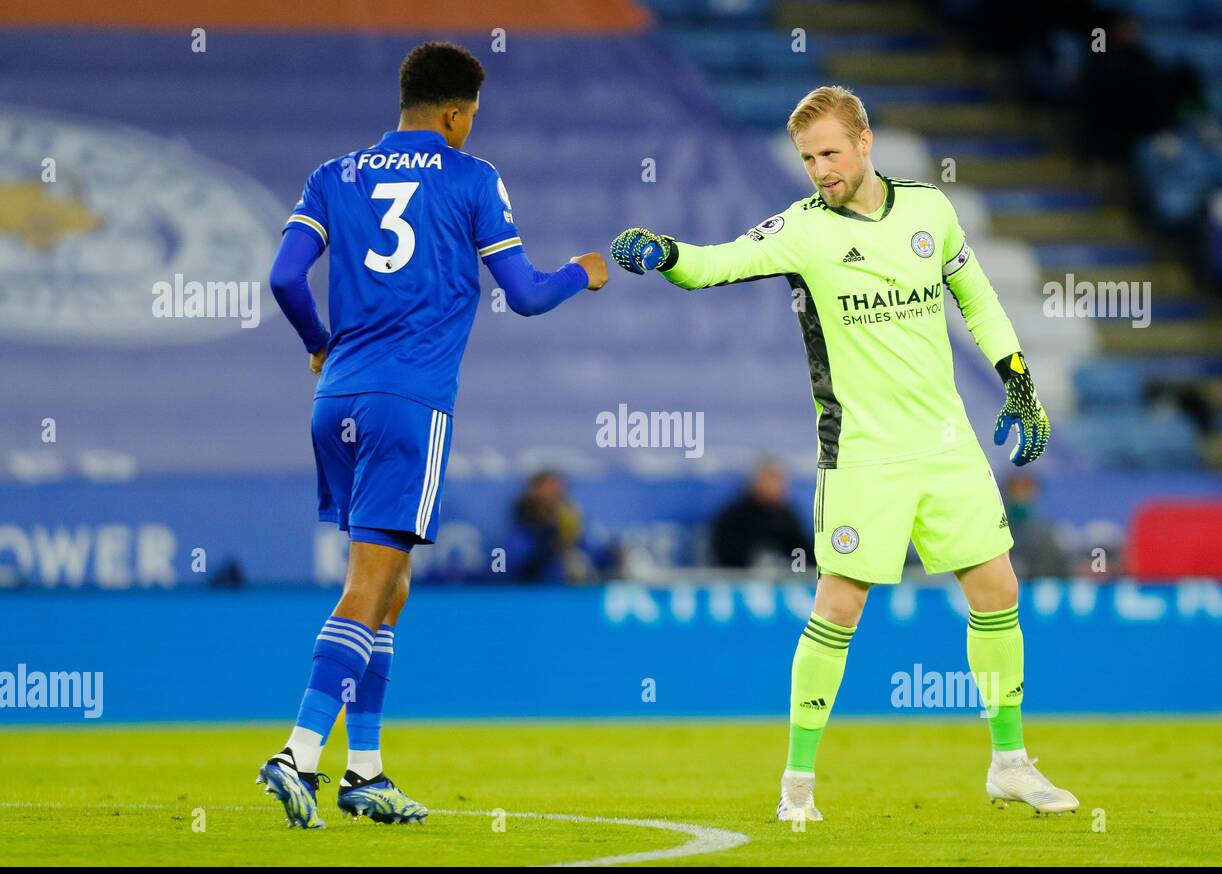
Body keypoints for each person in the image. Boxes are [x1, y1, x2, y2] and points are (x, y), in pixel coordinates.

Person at [610, 86, 1077, 821]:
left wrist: (1018, 384)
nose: (819, 169)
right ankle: (797, 785)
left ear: (864, 141)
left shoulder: (929, 210)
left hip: (947, 444)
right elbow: (712, 264)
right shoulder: (801, 230)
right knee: (839, 605)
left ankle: (1010, 764)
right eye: (806, 158)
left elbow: (978, 299)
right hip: (863, 453)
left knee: (999, 592)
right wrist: (667, 252)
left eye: (829, 152)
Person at [262, 41, 607, 828]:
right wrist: (579, 274)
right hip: (409, 404)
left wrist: (319, 342)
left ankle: (365, 772)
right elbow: (522, 295)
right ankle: (298, 754)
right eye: (471, 118)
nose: (469, 130)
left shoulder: (334, 173)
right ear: (455, 114)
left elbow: (283, 278)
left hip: (337, 399)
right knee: (367, 587)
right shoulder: (471, 178)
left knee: (392, 591)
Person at [710, 459, 811, 569]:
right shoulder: (735, 515)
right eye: (770, 480)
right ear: (756, 483)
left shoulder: (786, 515)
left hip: (782, 580)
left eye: (779, 482)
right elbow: (724, 553)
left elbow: (802, 551)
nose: (775, 487)